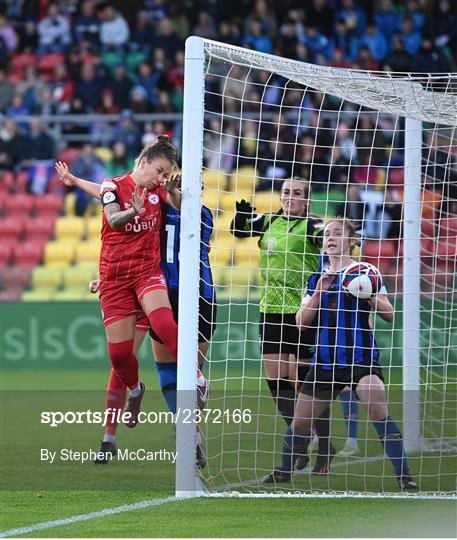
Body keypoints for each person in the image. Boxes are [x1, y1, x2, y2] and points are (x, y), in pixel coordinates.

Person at [54, 137, 189, 458]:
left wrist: (170, 190)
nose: (161, 177)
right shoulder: (117, 187)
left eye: (166, 173)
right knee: (119, 359)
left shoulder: (160, 191)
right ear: (143, 162)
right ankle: (113, 431)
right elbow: (110, 204)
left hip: (150, 279)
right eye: (159, 171)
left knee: (165, 325)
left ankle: (194, 383)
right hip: (117, 282)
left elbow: (187, 206)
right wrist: (131, 210)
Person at [264, 218, 418, 491]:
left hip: (361, 359)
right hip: (324, 362)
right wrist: (318, 293)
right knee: (300, 422)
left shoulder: (367, 272)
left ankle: (404, 476)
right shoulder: (317, 278)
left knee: (376, 404)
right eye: (326, 235)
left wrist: (370, 296)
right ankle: (283, 471)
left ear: (352, 241)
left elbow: (389, 314)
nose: (330, 238)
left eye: (337, 233)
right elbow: (301, 321)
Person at [231, 177, 334, 473]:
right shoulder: (269, 221)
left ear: (307, 200)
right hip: (271, 310)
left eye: (297, 193)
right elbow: (239, 231)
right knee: (277, 382)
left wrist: (341, 236)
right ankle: (300, 440)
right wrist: (240, 216)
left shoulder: (312, 225)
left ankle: (324, 447)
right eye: (286, 192)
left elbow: (329, 238)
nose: (290, 197)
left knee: (305, 383)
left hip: (304, 311)